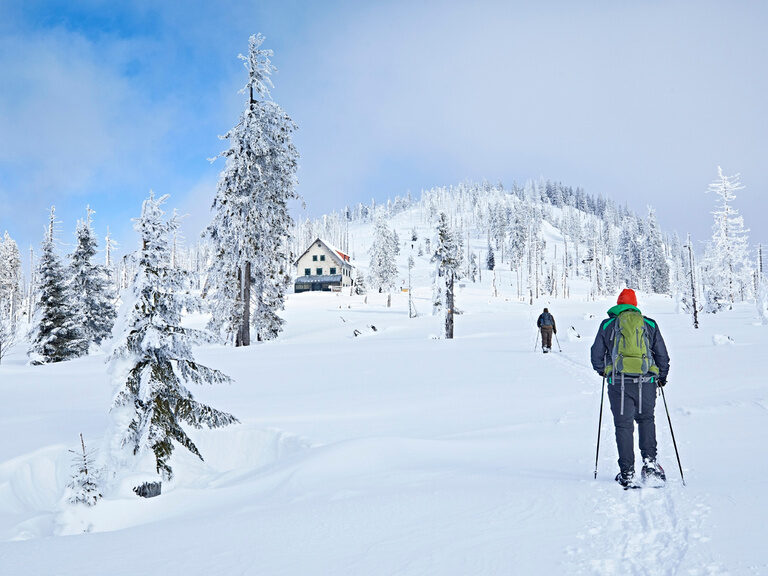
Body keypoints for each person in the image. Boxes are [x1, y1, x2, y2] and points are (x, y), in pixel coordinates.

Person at [590, 289, 670, 488]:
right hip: (646, 383)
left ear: (619, 304)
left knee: (623, 426)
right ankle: (650, 466)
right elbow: (662, 355)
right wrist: (661, 377)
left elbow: (596, 354)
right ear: (635, 305)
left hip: (619, 383)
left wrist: (605, 372)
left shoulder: (607, 324)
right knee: (646, 420)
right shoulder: (649, 324)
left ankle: (627, 473)